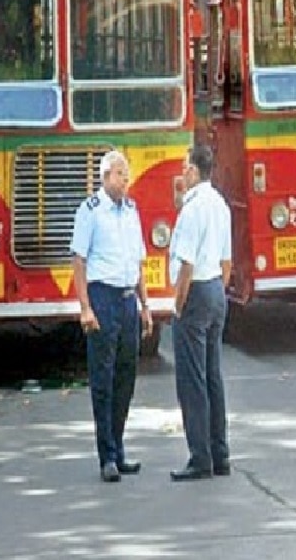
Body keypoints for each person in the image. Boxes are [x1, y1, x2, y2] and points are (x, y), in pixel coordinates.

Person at [70, 150, 153, 484]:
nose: (126, 180)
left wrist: (146, 306)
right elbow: (79, 260)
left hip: (127, 298)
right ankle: (106, 456)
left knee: (126, 377)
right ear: (105, 177)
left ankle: (118, 448)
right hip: (102, 297)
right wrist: (85, 307)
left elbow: (138, 262)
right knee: (102, 380)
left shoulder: (131, 211)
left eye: (127, 174)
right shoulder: (90, 211)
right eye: (120, 174)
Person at [168, 143, 233, 482]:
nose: (181, 174)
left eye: (184, 168)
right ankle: (220, 454)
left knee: (192, 380)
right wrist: (217, 291)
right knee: (213, 376)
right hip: (216, 291)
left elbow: (186, 265)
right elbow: (227, 262)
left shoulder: (192, 209)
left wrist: (177, 305)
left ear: (194, 171)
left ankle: (200, 457)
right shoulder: (220, 205)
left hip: (195, 293)